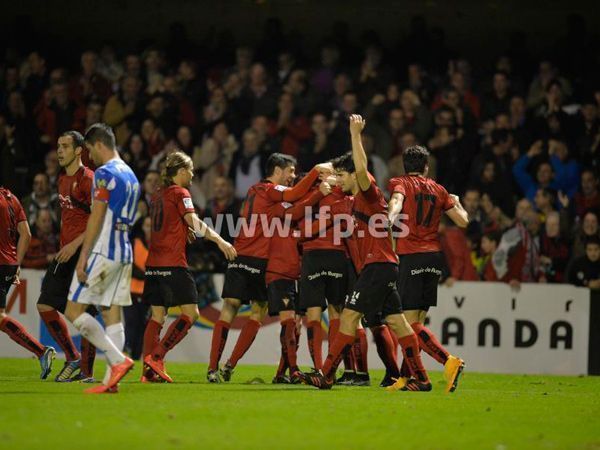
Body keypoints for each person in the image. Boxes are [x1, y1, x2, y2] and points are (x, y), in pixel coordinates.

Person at [302, 115, 431, 392]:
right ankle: (421, 378)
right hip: (382, 266)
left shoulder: (368, 193)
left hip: (378, 266)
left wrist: (355, 134)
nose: (338, 180)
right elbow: (337, 177)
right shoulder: (352, 202)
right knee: (397, 322)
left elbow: (361, 169)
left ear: (353, 176)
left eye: (342, 176)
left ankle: (325, 375)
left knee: (349, 317)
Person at [206, 153, 331, 383]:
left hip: (239, 253)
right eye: (290, 171)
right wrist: (315, 174)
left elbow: (290, 206)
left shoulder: (254, 191)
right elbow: (293, 197)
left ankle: (215, 368)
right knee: (257, 313)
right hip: (259, 259)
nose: (293, 176)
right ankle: (228, 366)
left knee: (229, 310)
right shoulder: (270, 190)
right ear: (277, 170)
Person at [141, 151, 236, 383]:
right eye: (191, 170)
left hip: (153, 264)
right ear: (181, 171)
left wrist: (184, 232)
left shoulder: (158, 195)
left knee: (157, 316)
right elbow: (194, 221)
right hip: (173, 263)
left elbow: (170, 225)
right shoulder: (180, 193)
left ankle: (148, 370)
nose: (193, 174)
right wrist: (221, 241)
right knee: (191, 313)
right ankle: (157, 356)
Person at [63, 123, 140, 394]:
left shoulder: (104, 173)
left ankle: (117, 360)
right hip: (124, 253)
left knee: (73, 311)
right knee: (112, 316)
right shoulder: (130, 174)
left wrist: (83, 256)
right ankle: (110, 382)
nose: (88, 158)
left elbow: (97, 216)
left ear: (98, 144)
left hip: (104, 250)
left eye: (88, 151)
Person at [387, 145, 469, 393]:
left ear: (405, 166)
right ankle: (408, 377)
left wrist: (390, 218)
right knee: (417, 321)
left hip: (411, 257)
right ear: (426, 167)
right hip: (434, 259)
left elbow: (397, 201)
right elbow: (463, 221)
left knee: (408, 325)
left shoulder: (399, 183)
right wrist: (459, 202)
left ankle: (449, 361)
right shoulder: (440, 190)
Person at [35, 131, 98, 382]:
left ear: (79, 150)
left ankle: (87, 372)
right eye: (58, 146)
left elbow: (98, 219)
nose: (59, 151)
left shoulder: (89, 179)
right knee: (45, 305)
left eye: (65, 146)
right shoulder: (62, 179)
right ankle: (72, 357)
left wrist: (74, 244)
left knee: (86, 313)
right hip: (65, 253)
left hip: (84, 253)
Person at [0, 186, 55, 378]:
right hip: (7, 265)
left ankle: (41, 350)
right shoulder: (11, 198)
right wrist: (16, 264)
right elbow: (26, 234)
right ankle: (41, 351)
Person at [125, 215, 151, 360]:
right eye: (147, 226)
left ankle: (136, 357)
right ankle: (127, 353)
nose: (150, 229)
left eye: (152, 226)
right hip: (131, 291)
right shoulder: (135, 243)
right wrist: (148, 275)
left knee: (143, 327)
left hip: (147, 294)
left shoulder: (158, 247)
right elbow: (130, 266)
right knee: (131, 324)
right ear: (142, 227)